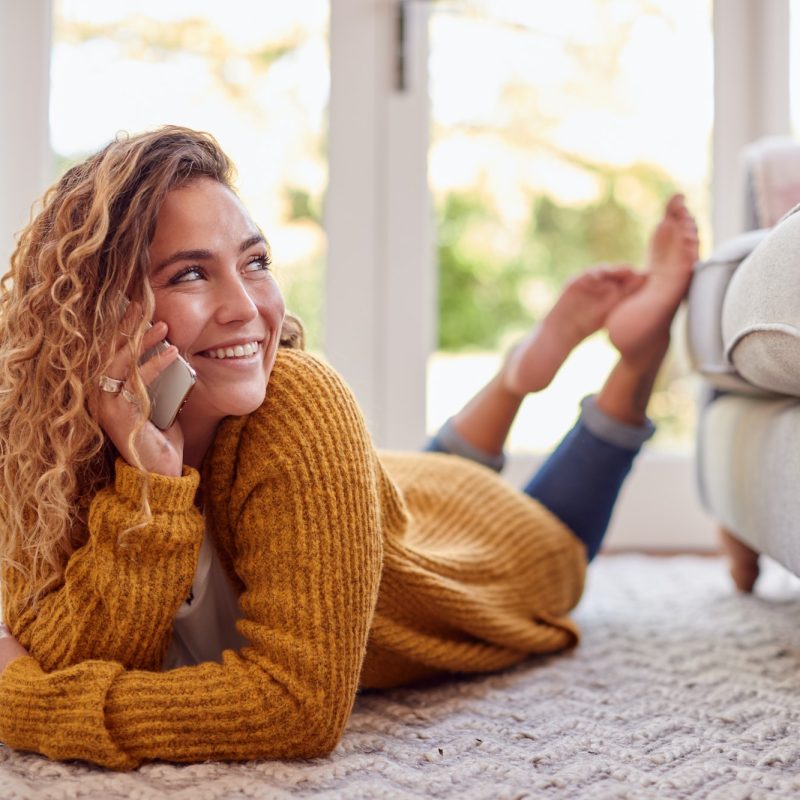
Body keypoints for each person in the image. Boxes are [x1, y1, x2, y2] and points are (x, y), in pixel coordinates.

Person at [0, 127, 698, 770]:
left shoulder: (298, 398)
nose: (248, 307)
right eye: (189, 273)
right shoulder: (44, 449)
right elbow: (70, 655)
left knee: (560, 544)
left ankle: (636, 355)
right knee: (414, 482)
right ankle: (516, 376)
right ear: (98, 313)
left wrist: (21, 703)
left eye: (256, 261)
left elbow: (295, 709)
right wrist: (150, 484)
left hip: (461, 556)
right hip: (384, 491)